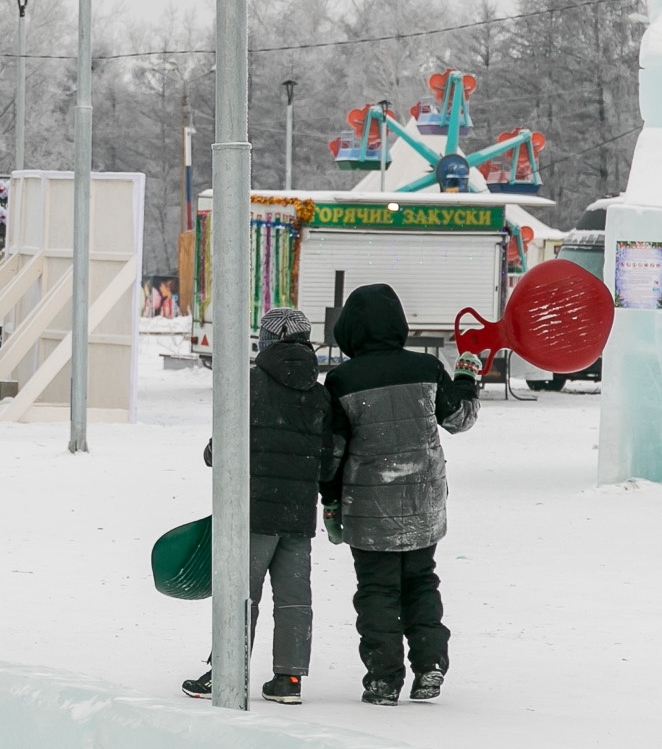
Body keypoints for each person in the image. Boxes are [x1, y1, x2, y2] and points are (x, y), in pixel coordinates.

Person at [322, 282, 480, 706]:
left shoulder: (341, 380)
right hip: (422, 503)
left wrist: (330, 502)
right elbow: (460, 420)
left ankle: (383, 677)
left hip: (368, 507)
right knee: (421, 582)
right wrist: (465, 378)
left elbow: (332, 455)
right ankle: (430, 665)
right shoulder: (427, 369)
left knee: (376, 590)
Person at [180, 305, 337, 705]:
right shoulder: (320, 394)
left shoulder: (247, 385)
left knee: (240, 592)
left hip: (254, 512)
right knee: (294, 597)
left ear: (265, 344)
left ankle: (226, 672)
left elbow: (220, 452)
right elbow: (329, 455)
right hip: (300, 513)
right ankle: (289, 679)